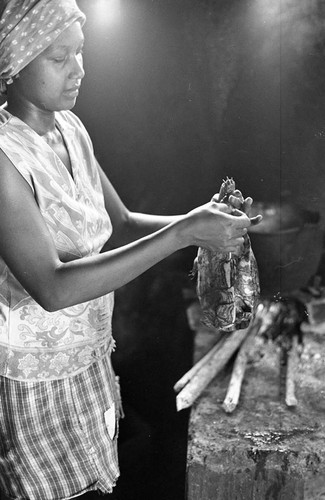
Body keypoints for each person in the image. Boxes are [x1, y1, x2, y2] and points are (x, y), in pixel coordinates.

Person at [0, 1, 261, 499]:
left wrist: (201, 219)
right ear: (14, 64)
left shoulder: (71, 130)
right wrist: (185, 235)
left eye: (80, 53)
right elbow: (53, 287)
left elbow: (120, 225)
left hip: (91, 363)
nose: (79, 71)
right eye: (59, 59)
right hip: (35, 382)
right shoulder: (4, 158)